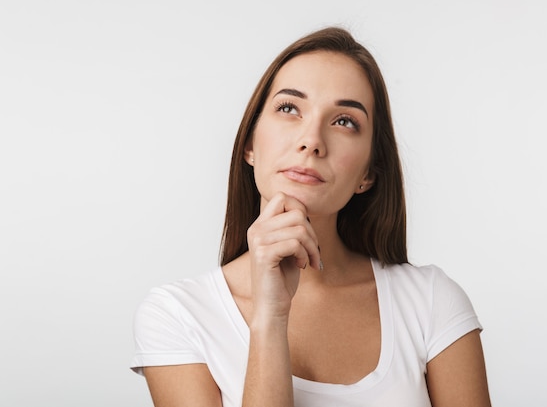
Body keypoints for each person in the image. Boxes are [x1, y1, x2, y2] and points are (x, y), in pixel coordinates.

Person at [131, 26, 492, 407]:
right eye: (289, 109)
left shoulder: (431, 302)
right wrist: (269, 319)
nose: (312, 140)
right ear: (250, 143)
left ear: (367, 174)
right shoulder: (177, 315)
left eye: (344, 121)